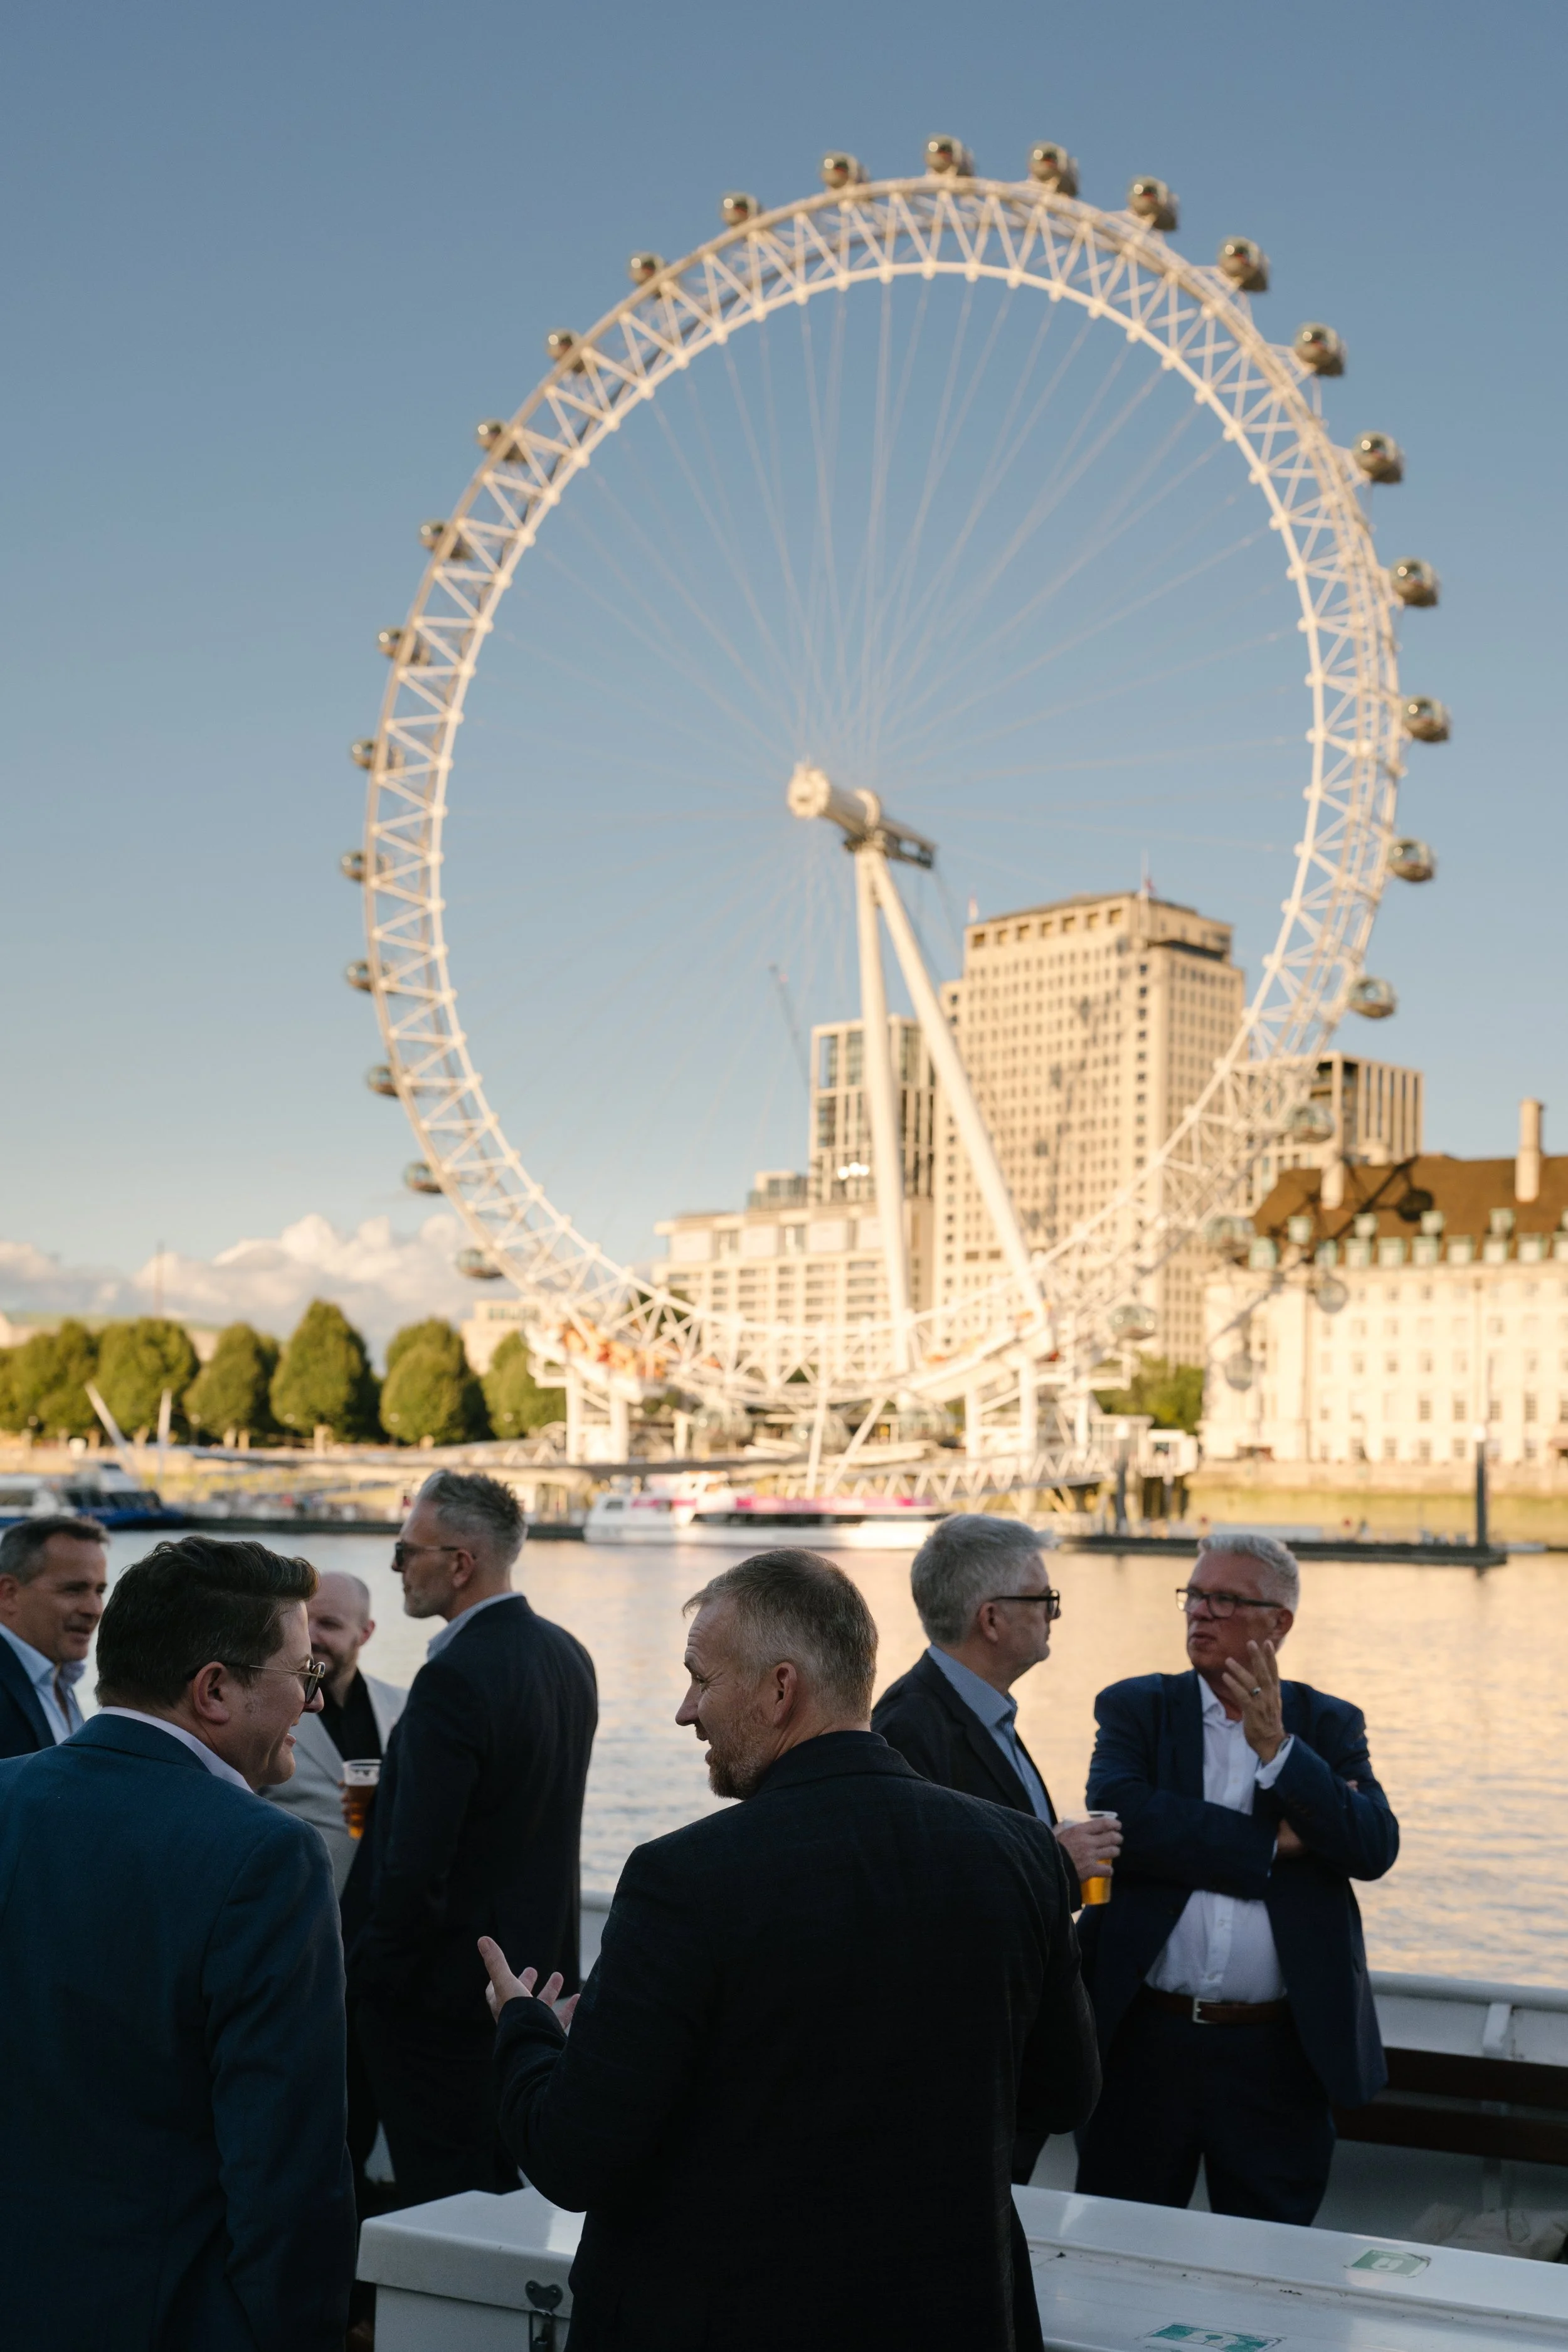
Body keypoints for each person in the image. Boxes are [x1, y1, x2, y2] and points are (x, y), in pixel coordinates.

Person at [479, 1549, 1099, 2352]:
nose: (685, 1710)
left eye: (701, 1678)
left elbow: (572, 2159)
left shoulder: (684, 1879)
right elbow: (1062, 2096)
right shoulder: (1019, 1854)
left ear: (780, 1689)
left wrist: (525, 2030)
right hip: (951, 2314)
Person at [0, 1535, 355, 2351]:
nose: (317, 1701)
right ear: (216, 1689)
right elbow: (288, 2179)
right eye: (304, 1677)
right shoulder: (268, 1857)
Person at [1074, 1532, 1399, 2227]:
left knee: (1269, 2256)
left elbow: (1371, 1846)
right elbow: (1125, 1816)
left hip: (1275, 2056)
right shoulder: (1138, 1708)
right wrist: (1272, 1846)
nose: (1201, 1613)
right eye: (1194, 1595)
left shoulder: (1325, 1724)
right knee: (1120, 2240)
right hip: (1143, 2044)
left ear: (1277, 1623)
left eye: (1225, 1599)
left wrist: (1278, 1752)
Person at [346, 1469, 597, 2208]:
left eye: (404, 1552)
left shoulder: (454, 1677)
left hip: (436, 2006)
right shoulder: (567, 1657)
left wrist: (371, 1980)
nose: (396, 1569)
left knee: (437, 2200)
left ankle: (362, 2322)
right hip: (528, 1992)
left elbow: (415, 1863)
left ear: (459, 1563)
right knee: (493, 2194)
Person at [872, 1513, 1124, 1894]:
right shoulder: (909, 1729)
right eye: (1043, 1599)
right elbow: (917, 1894)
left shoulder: (984, 1712)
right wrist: (1056, 1864)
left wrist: (1052, 1849)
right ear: (991, 1620)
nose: (1054, 1613)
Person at [266, 1567, 407, 1894]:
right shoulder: (264, 1711)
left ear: (366, 1633)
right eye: (304, 1623)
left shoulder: (405, 1706)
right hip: (299, 1909)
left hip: (392, 1914)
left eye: (328, 1624)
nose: (312, 1637)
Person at [0, 1513, 109, 1755]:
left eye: (99, 1591)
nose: (93, 1609)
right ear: (8, 1594)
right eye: (73, 1590)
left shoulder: (57, 1677)